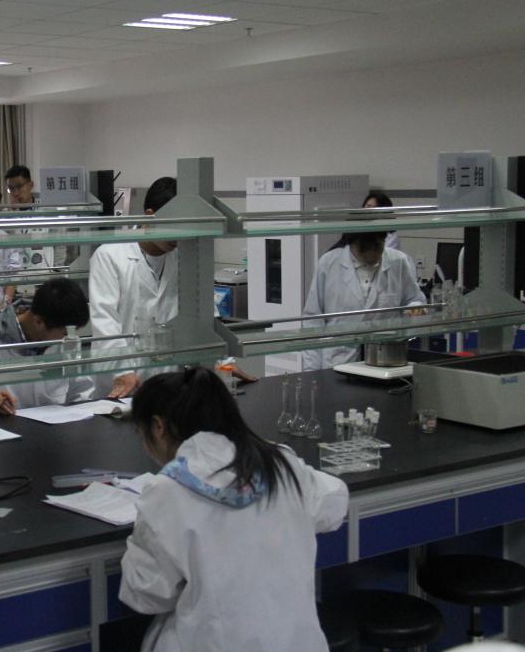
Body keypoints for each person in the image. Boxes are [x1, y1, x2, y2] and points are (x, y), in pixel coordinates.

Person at [119, 367, 349, 652]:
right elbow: (336, 501)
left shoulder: (167, 491)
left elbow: (146, 594)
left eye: (142, 434)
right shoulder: (280, 463)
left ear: (158, 426)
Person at [89, 177, 179, 398]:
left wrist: (224, 361)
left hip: (168, 382)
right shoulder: (110, 255)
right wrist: (122, 371)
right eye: (173, 225)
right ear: (149, 215)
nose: (178, 235)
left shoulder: (183, 258)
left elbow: (203, 313)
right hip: (121, 386)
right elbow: (105, 322)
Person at [0, 278, 93, 414]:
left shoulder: (66, 342)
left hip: (56, 424)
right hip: (3, 424)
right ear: (39, 322)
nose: (69, 338)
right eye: (65, 333)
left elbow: (81, 391)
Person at [302, 231, 426, 370]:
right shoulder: (329, 262)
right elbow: (313, 320)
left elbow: (414, 299)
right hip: (339, 360)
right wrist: (311, 371)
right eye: (364, 252)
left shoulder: (399, 261)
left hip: (386, 358)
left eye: (377, 249)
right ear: (352, 243)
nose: (372, 257)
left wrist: (415, 307)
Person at [328, 192, 401, 252]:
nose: (370, 211)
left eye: (375, 208)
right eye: (368, 206)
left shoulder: (390, 237)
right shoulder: (356, 228)